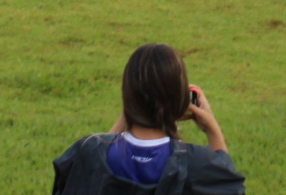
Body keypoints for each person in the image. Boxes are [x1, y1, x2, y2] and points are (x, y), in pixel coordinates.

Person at [51, 43, 243, 195]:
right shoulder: (197, 164)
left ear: (127, 93)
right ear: (181, 98)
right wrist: (212, 129)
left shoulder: (88, 151)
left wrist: (130, 113)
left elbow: (91, 170)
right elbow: (229, 185)